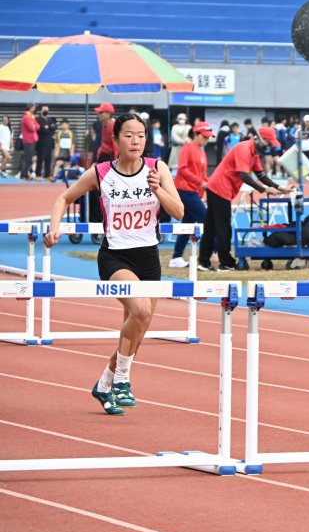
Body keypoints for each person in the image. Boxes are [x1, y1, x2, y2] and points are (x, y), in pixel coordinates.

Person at [43, 113, 184, 415]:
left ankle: (105, 384)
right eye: (129, 135)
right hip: (115, 257)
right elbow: (63, 198)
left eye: (141, 135)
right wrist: (54, 228)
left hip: (148, 258)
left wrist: (158, 189)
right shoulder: (101, 172)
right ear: (116, 140)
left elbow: (179, 211)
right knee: (141, 311)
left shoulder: (157, 168)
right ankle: (122, 379)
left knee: (136, 332)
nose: (135, 141)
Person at [197, 126, 294, 271]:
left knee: (211, 227)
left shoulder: (253, 153)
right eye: (269, 143)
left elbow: (261, 175)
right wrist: (263, 189)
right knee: (224, 228)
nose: (269, 147)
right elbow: (244, 175)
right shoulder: (244, 150)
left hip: (217, 188)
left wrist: (280, 188)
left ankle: (203, 262)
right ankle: (226, 263)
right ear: (261, 139)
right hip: (220, 189)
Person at [168, 121, 213, 268]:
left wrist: (210, 183)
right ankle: (211, 254)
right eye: (204, 136)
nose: (206, 139)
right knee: (206, 221)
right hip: (184, 189)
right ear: (196, 134)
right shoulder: (188, 148)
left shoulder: (202, 152)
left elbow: (202, 174)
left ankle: (176, 257)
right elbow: (183, 169)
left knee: (188, 223)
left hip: (194, 191)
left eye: (208, 137)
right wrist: (201, 182)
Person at [19, 102, 39, 180]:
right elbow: (32, 128)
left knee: (29, 159)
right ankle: (23, 175)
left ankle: (27, 174)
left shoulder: (32, 116)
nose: (35, 108)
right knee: (26, 158)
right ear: (30, 108)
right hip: (28, 140)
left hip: (32, 140)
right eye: (34, 107)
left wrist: (34, 124)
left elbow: (38, 126)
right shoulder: (26, 117)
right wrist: (34, 125)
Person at [35, 104, 55, 181]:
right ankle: (38, 175)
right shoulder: (37, 120)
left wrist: (48, 127)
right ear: (41, 111)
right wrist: (48, 128)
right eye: (44, 109)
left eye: (47, 109)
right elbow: (41, 130)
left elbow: (54, 128)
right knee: (40, 160)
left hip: (49, 143)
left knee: (48, 160)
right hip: (41, 143)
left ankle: (47, 175)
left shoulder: (50, 120)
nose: (46, 111)